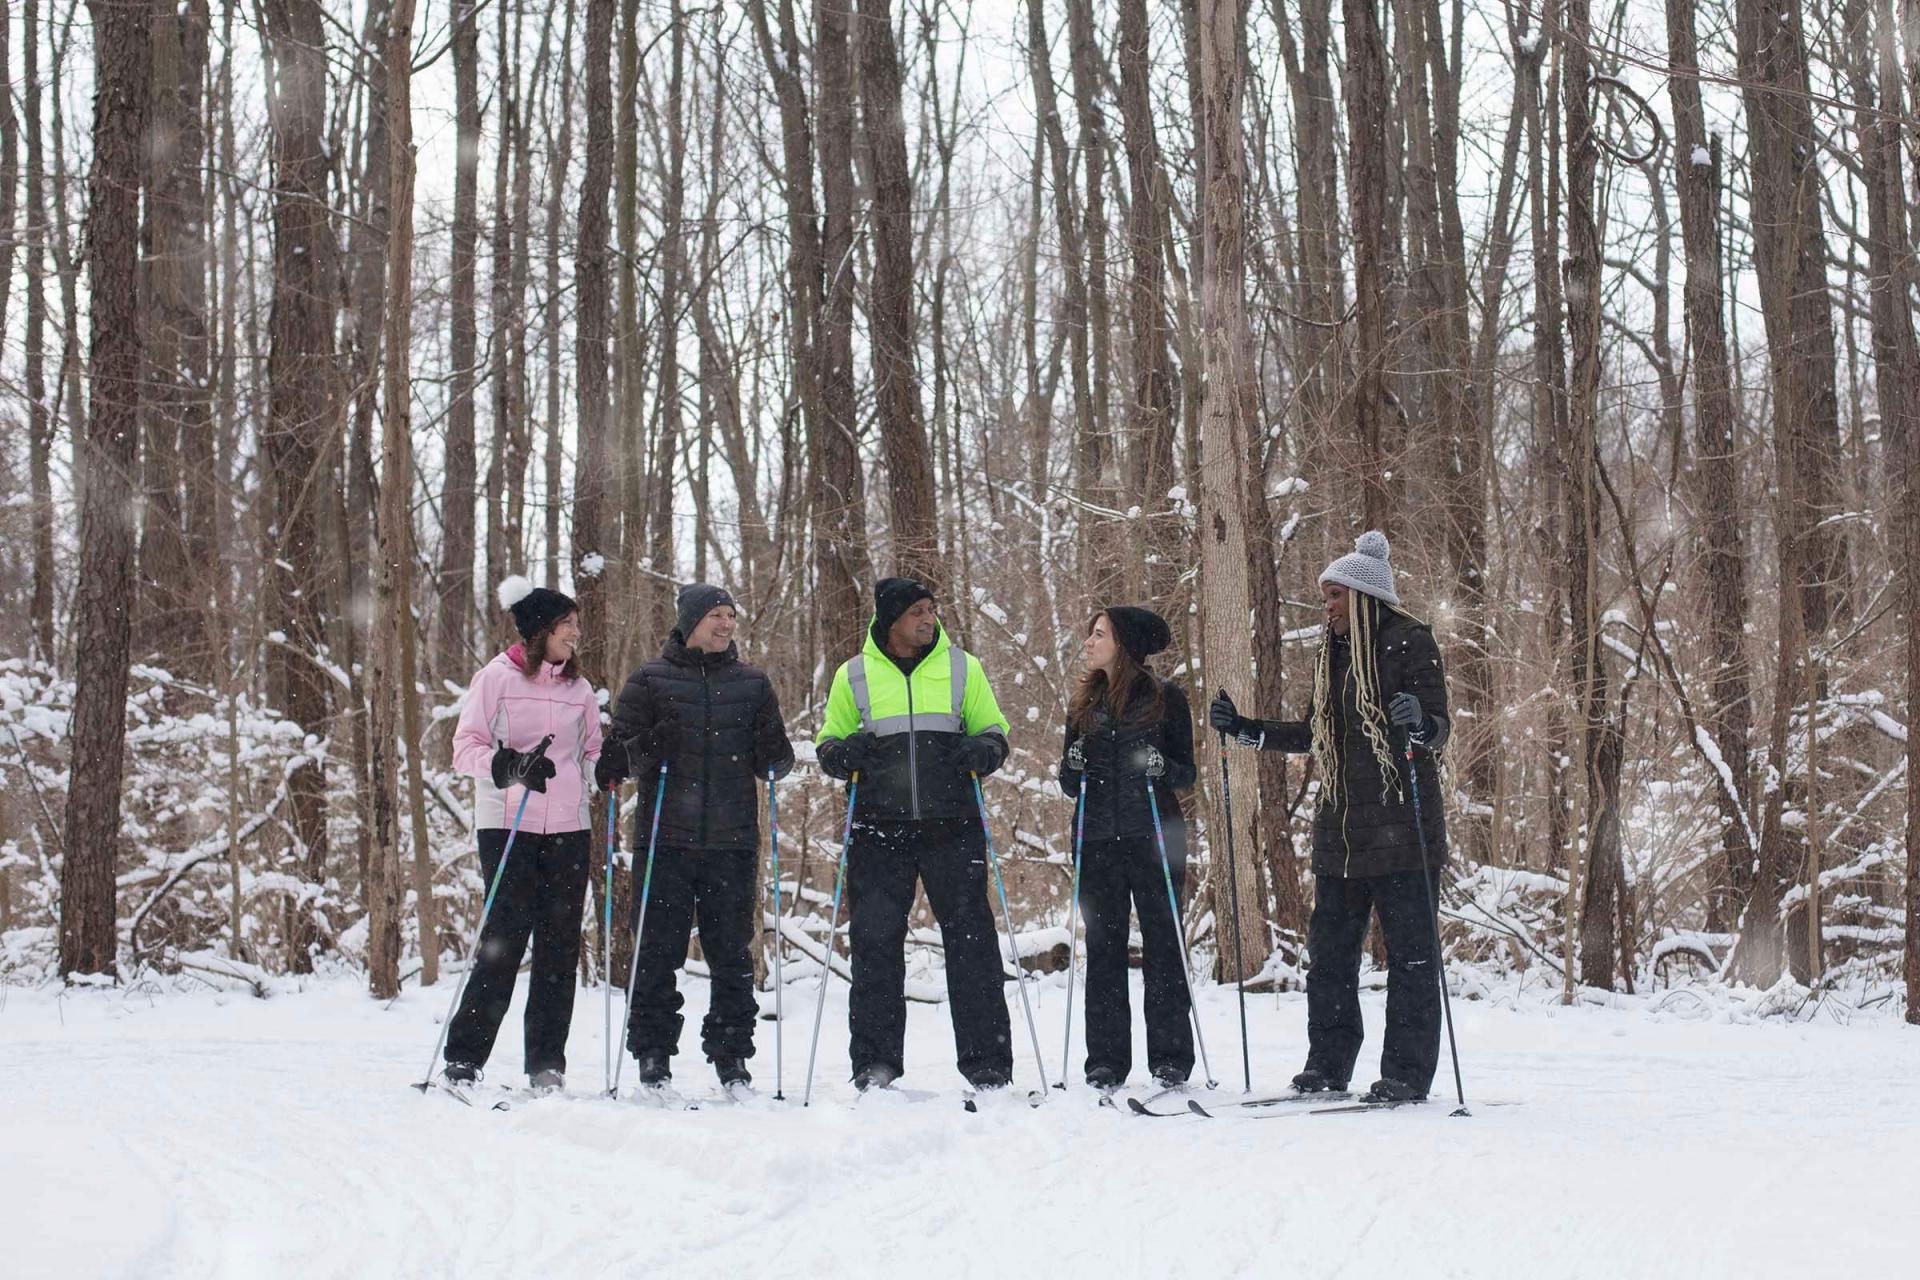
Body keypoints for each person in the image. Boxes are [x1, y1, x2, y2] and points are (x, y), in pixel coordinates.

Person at [1209, 532, 1451, 1103]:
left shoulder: (1411, 641)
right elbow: (1314, 734)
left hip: (1403, 829)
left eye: (1335, 595)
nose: (1327, 605)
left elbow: (1438, 729)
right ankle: (1327, 1064)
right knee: (1330, 958)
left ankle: (1406, 1074)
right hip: (1340, 831)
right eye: (1325, 596)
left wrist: (1418, 721)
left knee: (1412, 959)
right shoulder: (1331, 653)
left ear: (1365, 597)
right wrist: (1248, 729)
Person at [815, 577, 1015, 1093]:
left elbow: (995, 732)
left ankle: (987, 1062)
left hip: (954, 826)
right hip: (878, 829)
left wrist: (983, 752)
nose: (928, 620)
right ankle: (875, 1062)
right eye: (916, 612)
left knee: (972, 943)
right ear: (890, 619)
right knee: (875, 943)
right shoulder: (853, 675)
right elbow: (828, 743)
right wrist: (842, 754)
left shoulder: (961, 667)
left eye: (931, 609)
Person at [597, 584, 795, 1093]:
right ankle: (653, 1053)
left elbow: (776, 759)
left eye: (731, 615)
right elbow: (613, 764)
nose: (726, 624)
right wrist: (650, 745)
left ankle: (732, 1057)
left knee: (732, 955)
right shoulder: (648, 680)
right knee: (657, 952)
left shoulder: (752, 683)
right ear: (690, 621)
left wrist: (774, 754)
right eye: (715, 615)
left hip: (731, 844)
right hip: (666, 842)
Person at [445, 576, 604, 1094]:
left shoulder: (579, 690)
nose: (575, 635)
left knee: (560, 946)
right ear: (539, 631)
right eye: (566, 626)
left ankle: (546, 1064)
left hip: (567, 827)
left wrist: (614, 764)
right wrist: (508, 765)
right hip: (507, 821)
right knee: (504, 941)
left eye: (577, 627)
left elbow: (593, 755)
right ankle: (465, 1057)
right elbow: (464, 747)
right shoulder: (495, 677)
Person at [1057, 607, 1197, 1091]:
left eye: (1099, 634)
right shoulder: (1082, 705)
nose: (1090, 641)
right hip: (1096, 840)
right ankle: (1106, 1060)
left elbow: (1186, 773)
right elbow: (1066, 783)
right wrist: (1073, 765)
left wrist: (1162, 766)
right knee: (1103, 949)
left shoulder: (1166, 699)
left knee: (1164, 946)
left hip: (1154, 836)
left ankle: (1171, 1057)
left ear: (1125, 644)